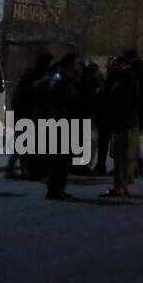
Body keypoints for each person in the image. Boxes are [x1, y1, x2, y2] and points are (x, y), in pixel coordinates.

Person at [42, 53, 84, 200]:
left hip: (61, 122)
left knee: (61, 159)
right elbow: (68, 101)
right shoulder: (61, 81)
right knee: (59, 159)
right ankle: (55, 189)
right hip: (61, 123)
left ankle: (58, 188)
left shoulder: (62, 79)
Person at [5, 51, 51, 180]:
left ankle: (15, 169)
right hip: (26, 112)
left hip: (22, 111)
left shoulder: (30, 74)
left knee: (22, 142)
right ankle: (23, 170)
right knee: (24, 143)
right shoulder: (37, 75)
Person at [102, 53, 141, 197]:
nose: (112, 66)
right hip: (125, 121)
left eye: (116, 63)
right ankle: (122, 185)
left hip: (124, 121)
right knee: (124, 155)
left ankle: (120, 185)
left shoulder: (123, 78)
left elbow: (122, 99)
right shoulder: (124, 78)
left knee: (121, 155)